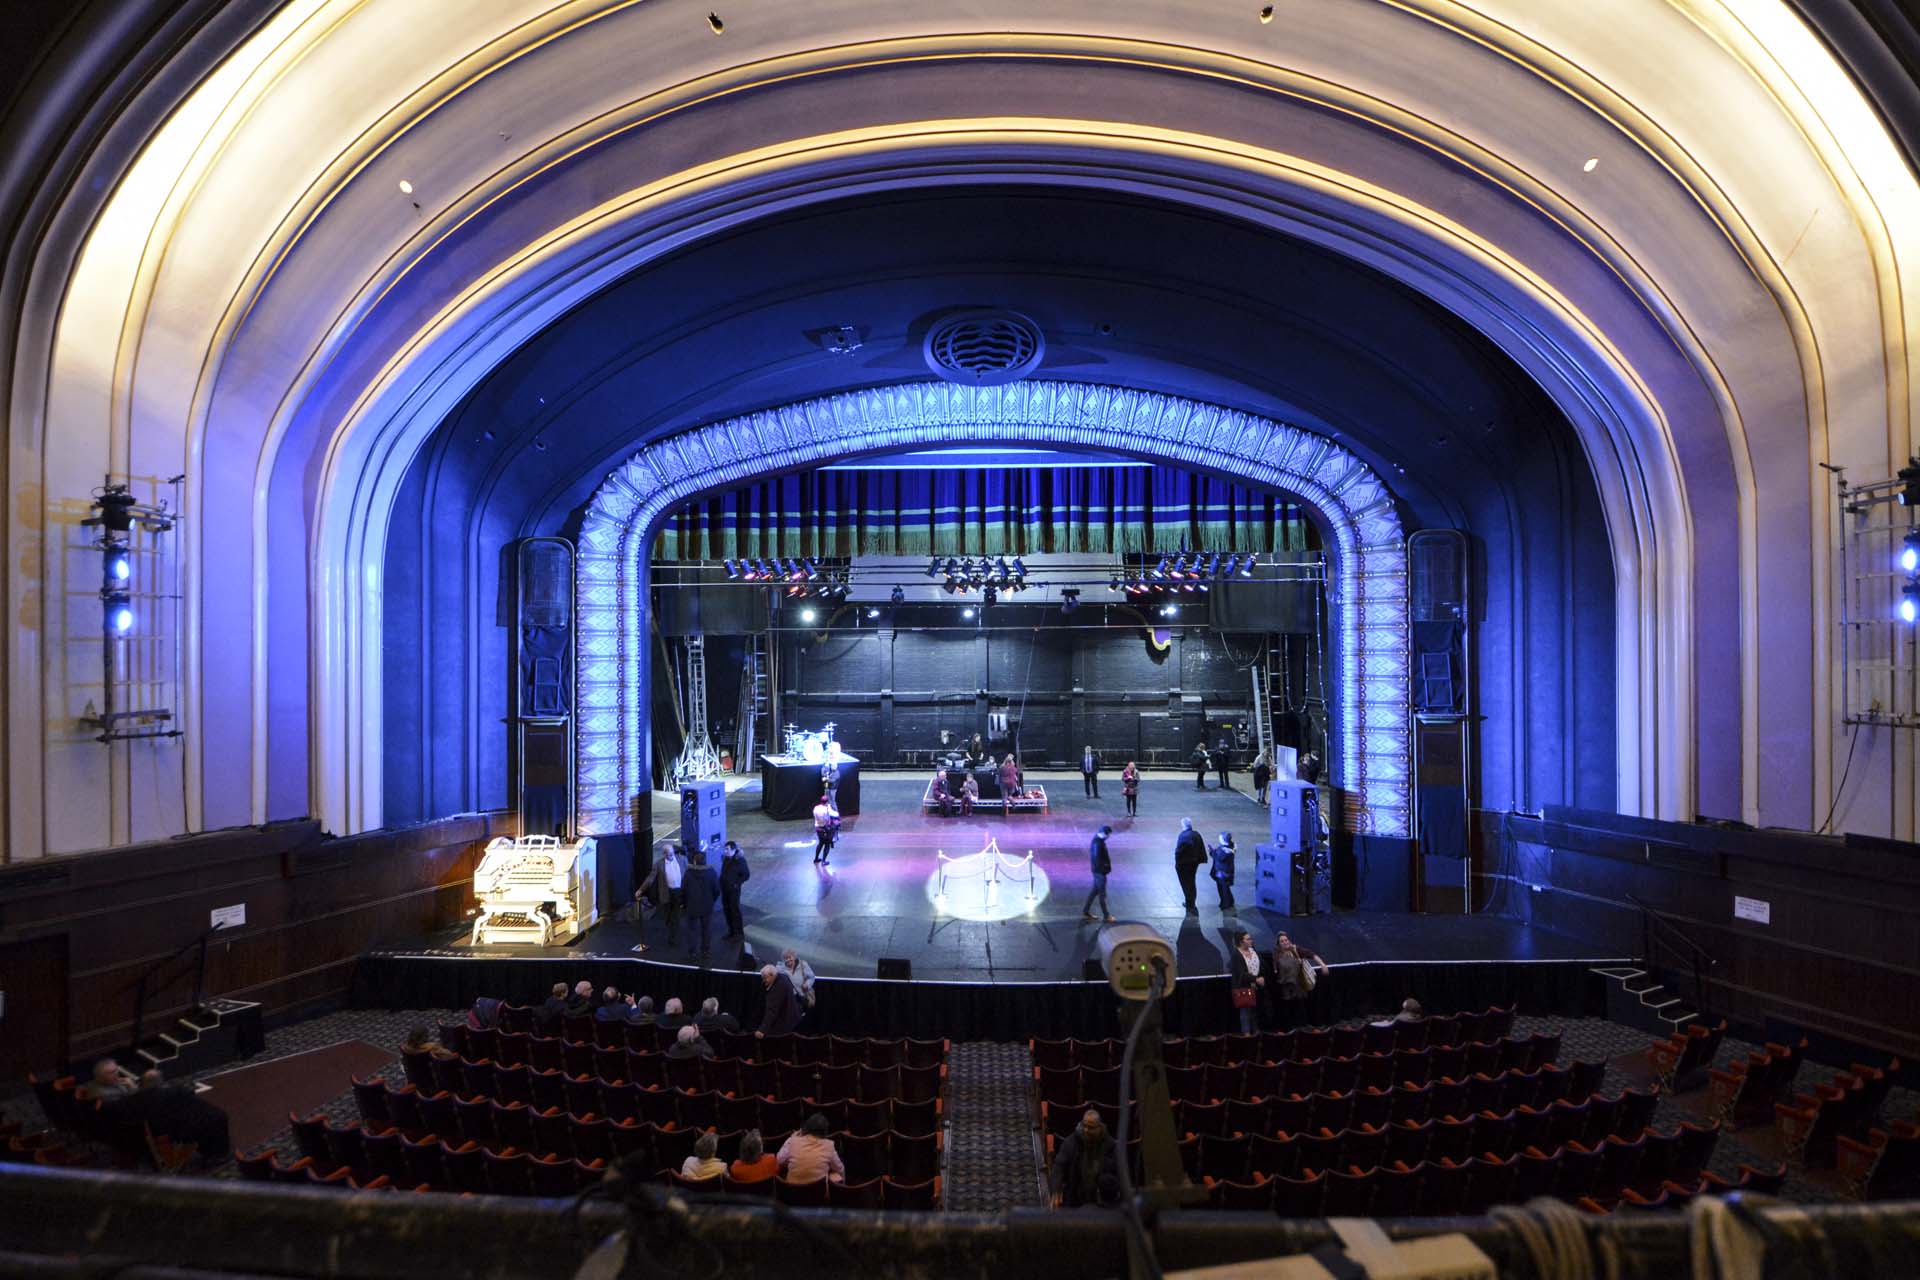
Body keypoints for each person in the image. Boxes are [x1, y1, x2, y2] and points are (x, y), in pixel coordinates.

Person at [1049, 1110, 1120, 1208]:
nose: (1086, 1130)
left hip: (1101, 1202)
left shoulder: (1110, 1146)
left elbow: (1119, 1174)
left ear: (1100, 1127)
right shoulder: (1071, 1142)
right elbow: (1059, 1166)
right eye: (1084, 1126)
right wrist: (1056, 1189)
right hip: (1075, 1198)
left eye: (1091, 1128)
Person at [1271, 932, 1331, 1028]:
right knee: (1287, 1010)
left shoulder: (1296, 949)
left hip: (1298, 985)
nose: (1285, 942)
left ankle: (1302, 1028)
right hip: (1285, 987)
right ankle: (1290, 1030)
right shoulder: (1276, 954)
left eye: (1286, 940)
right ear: (1279, 944)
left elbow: (1311, 954)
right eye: (1282, 941)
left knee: (1300, 1007)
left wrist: (1322, 964)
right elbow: (1277, 969)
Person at [638, 842, 687, 947]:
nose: (672, 856)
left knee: (676, 915)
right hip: (667, 892)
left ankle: (673, 937)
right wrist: (641, 890)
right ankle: (672, 929)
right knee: (668, 917)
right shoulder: (659, 864)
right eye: (669, 854)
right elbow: (650, 879)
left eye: (673, 853)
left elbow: (688, 871)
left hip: (679, 892)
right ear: (664, 854)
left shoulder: (682, 859)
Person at [777, 1112, 845, 1183]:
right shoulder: (829, 1145)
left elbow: (779, 1160)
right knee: (837, 1174)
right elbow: (840, 1169)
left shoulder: (793, 1141)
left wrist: (792, 1137)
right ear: (825, 1130)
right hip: (819, 1192)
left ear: (806, 1128)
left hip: (793, 1191)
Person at [683, 847, 720, 959]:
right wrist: (711, 901)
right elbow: (716, 890)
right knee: (706, 929)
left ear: (694, 861)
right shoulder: (711, 873)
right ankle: (706, 951)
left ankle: (692, 952)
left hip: (692, 907)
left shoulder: (688, 873)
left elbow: (683, 890)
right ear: (705, 860)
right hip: (707, 906)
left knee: (692, 930)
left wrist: (684, 904)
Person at [1228, 929, 1265, 1034]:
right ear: (1241, 941)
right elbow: (1241, 973)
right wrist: (1256, 979)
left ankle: (1256, 1032)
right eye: (1248, 939)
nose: (1251, 941)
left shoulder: (1253, 951)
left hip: (1256, 987)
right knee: (1245, 1013)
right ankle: (1247, 1034)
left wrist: (1261, 977)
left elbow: (1261, 964)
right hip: (1243, 987)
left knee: (1255, 1012)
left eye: (1250, 939)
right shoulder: (1236, 955)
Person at [756, 962, 803, 1038]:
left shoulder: (777, 988)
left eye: (765, 978)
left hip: (785, 1023)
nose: (763, 981)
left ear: (772, 975)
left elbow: (772, 1010)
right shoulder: (783, 977)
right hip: (793, 1019)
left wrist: (762, 1030)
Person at [1082, 824, 1116, 922]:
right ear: (1104, 834)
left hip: (1097, 872)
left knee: (1094, 892)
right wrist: (1105, 869)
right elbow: (1097, 859)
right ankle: (1106, 915)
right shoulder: (1098, 843)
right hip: (1099, 873)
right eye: (1108, 834)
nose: (1109, 837)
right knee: (1102, 894)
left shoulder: (1098, 840)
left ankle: (1086, 911)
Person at [1173, 817, 1208, 913]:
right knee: (1192, 882)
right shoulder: (1196, 834)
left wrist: (1177, 865)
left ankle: (1190, 903)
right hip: (1194, 863)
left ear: (1183, 825)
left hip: (1184, 865)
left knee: (1185, 884)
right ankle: (1191, 902)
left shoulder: (1183, 836)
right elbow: (1201, 848)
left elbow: (1179, 852)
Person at [719, 839, 750, 940]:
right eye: (725, 849)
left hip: (734, 891)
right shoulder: (726, 859)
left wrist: (736, 884)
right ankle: (731, 931)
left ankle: (738, 934)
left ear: (733, 850)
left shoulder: (740, 860)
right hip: (725, 890)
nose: (725, 851)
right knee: (727, 911)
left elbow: (746, 875)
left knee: (734, 911)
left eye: (727, 849)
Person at [780, 950, 818, 1016]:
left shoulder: (803, 965)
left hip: (802, 997)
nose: (788, 960)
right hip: (789, 998)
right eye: (786, 958)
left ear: (794, 957)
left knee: (801, 1016)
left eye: (790, 957)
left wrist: (807, 985)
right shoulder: (780, 968)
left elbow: (811, 977)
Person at [1210, 831, 1237, 912]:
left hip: (1222, 873)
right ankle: (1229, 902)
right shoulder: (1230, 846)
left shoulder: (1224, 851)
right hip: (1227, 872)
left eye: (1220, 838)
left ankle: (1226, 904)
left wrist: (1211, 852)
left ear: (1223, 840)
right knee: (1225, 888)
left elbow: (1218, 858)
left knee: (1223, 888)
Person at [812, 792, 840, 864]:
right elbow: (835, 814)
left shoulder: (816, 808)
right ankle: (823, 861)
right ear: (827, 802)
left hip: (818, 828)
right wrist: (830, 807)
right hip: (825, 829)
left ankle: (816, 858)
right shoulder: (827, 809)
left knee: (820, 843)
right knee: (827, 844)